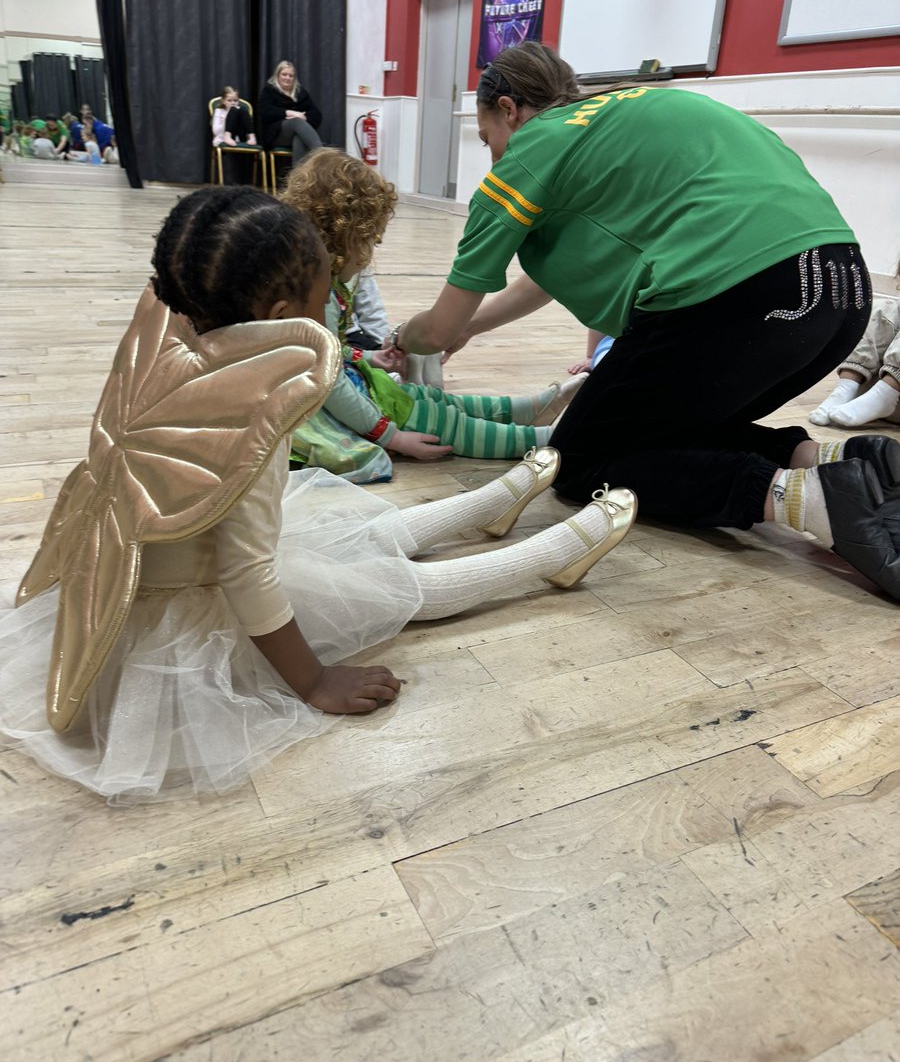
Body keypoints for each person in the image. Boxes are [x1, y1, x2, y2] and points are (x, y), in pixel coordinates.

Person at [0, 185, 637, 803]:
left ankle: (493, 502)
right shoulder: (248, 427)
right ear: (282, 319)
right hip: (195, 599)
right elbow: (245, 573)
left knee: (347, 543)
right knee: (386, 589)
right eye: (325, 293)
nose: (335, 303)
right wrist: (313, 681)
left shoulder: (177, 342)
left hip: (144, 553)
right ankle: (546, 554)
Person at [391, 41, 900, 600]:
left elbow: (434, 331)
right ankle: (839, 458)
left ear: (509, 109)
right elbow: (544, 278)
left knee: (581, 458)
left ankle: (810, 502)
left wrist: (396, 340)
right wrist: (475, 327)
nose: (492, 155)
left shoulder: (527, 156)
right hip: (842, 289)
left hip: (743, 293)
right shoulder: (628, 112)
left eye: (487, 137)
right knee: (664, 423)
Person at [281, 149, 585, 478]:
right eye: (368, 241)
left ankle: (529, 408)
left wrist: (367, 358)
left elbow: (326, 352)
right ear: (344, 235)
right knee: (438, 420)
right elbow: (328, 384)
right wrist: (391, 436)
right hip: (324, 411)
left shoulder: (319, 283)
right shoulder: (318, 294)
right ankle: (547, 440)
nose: (369, 255)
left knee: (423, 396)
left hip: (350, 387)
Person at [810, 279, 900, 428]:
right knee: (883, 308)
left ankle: (885, 395)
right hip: (868, 391)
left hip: (893, 398)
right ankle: (846, 388)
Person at [259, 59, 323, 167]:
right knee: (296, 122)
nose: (287, 78)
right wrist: (290, 113)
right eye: (284, 74)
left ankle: (297, 179)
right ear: (277, 75)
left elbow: (317, 115)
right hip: (276, 135)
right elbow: (265, 113)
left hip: (297, 132)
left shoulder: (301, 93)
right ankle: (322, 156)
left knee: (299, 138)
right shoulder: (269, 91)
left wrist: (304, 118)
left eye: (291, 76)